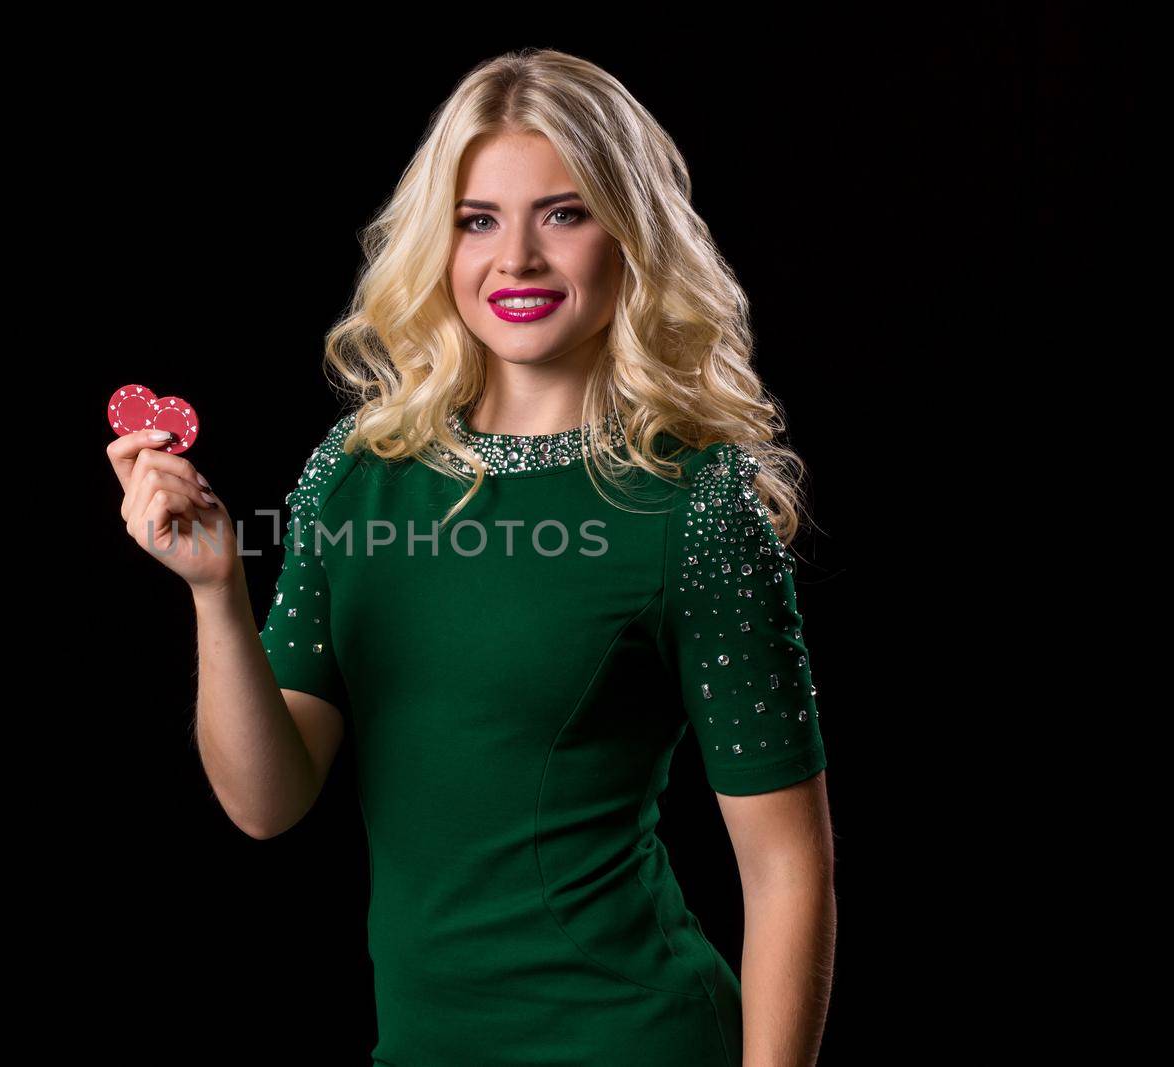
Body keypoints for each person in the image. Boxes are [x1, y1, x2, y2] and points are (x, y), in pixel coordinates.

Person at [109, 47, 834, 1067]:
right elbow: (267, 802)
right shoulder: (357, 472)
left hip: (635, 1038)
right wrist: (216, 591)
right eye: (478, 218)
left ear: (629, 234)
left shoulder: (698, 503)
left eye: (565, 212)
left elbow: (787, 868)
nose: (518, 259)